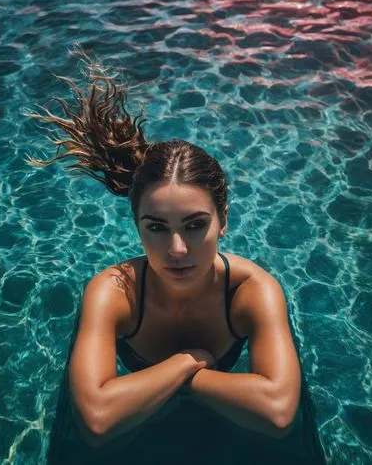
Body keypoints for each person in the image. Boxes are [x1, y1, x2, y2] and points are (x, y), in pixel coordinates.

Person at [26, 52, 320, 460]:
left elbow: (277, 412)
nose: (177, 249)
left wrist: (169, 378)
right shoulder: (115, 291)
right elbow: (94, 422)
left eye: (196, 225)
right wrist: (190, 361)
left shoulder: (252, 290)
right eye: (157, 228)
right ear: (137, 226)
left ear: (223, 221)